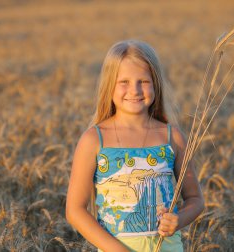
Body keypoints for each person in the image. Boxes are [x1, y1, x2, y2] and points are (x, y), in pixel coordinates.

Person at [66, 40, 204, 252]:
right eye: (124, 82)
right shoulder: (94, 140)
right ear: (109, 85)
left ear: (155, 84)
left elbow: (195, 199)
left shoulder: (172, 138)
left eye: (143, 81)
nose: (135, 90)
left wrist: (178, 219)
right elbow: (75, 210)